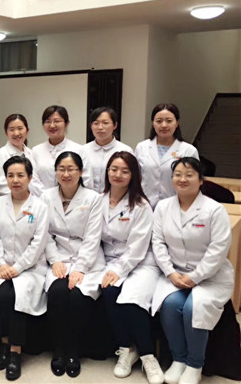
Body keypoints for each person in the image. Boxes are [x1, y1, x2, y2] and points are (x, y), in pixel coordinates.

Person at [151, 157, 233, 384]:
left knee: (193, 308)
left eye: (189, 175)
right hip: (175, 273)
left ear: (201, 180)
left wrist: (196, 276)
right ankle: (178, 359)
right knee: (170, 305)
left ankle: (195, 364)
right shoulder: (163, 207)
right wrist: (170, 272)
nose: (183, 179)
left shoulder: (214, 210)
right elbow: (158, 242)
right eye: (177, 174)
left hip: (211, 275)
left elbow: (219, 249)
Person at [99, 152, 164, 384]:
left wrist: (118, 270)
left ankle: (148, 355)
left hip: (141, 262)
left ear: (133, 175)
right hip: (110, 260)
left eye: (125, 171)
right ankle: (126, 349)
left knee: (131, 299)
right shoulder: (99, 200)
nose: (118, 174)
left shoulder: (141, 205)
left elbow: (137, 248)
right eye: (114, 169)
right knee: (109, 291)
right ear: (107, 172)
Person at [43, 151, 104, 378]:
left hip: (86, 258)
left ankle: (73, 351)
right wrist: (55, 260)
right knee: (57, 293)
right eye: (61, 169)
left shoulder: (93, 198)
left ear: (80, 172)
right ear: (55, 172)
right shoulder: (46, 196)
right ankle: (58, 351)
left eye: (71, 169)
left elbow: (93, 237)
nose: (66, 174)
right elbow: (44, 233)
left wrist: (80, 268)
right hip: (58, 255)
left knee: (78, 296)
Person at [0, 156, 49, 381]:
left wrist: (19, 267)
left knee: (17, 296)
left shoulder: (40, 207)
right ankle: (4, 344)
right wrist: (1, 264)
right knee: (1, 295)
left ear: (30, 178)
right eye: (10, 175)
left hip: (30, 267)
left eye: (20, 175)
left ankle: (15, 352)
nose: (15, 180)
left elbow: (39, 242)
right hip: (3, 265)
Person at [135, 103, 199, 208]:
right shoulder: (142, 147)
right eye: (159, 121)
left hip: (176, 206)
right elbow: (135, 178)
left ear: (177, 123)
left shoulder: (188, 150)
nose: (164, 125)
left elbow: (193, 183)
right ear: (153, 123)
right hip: (145, 205)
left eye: (169, 121)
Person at [32, 105, 93, 190]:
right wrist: (48, 196)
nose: (52, 125)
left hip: (74, 197)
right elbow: (33, 180)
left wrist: (68, 196)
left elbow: (87, 180)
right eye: (47, 121)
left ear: (66, 123)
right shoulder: (36, 151)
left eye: (57, 121)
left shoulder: (78, 149)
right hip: (42, 197)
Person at [81, 107, 134, 193]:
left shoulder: (125, 150)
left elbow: (132, 179)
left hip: (115, 197)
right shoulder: (83, 150)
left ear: (115, 125)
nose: (100, 127)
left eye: (105, 123)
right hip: (87, 198)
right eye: (96, 123)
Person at [0, 114, 43, 197]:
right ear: (6, 133)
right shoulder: (0, 154)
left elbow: (36, 181)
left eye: (20, 128)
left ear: (27, 131)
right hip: (11, 200)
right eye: (12, 129)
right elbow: (1, 185)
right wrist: (24, 196)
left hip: (35, 200)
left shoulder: (31, 153)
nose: (16, 133)